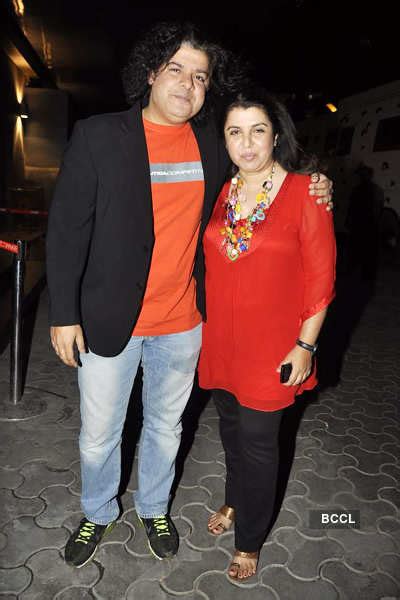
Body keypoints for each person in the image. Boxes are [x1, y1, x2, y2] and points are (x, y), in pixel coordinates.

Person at [46, 22, 333, 568]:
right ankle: (98, 511)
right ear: (151, 73)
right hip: (110, 321)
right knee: (99, 434)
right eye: (176, 69)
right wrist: (64, 313)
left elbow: (264, 170)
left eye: (200, 76)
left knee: (164, 427)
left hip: (182, 324)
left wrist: (318, 182)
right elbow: (66, 231)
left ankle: (154, 506)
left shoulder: (211, 142)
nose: (187, 84)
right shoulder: (100, 135)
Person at [197, 90, 336, 580]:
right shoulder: (222, 190)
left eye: (258, 130)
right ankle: (235, 501)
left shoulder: (305, 192)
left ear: (276, 134)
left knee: (259, 442)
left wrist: (305, 345)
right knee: (231, 431)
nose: (247, 142)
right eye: (235, 131)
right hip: (220, 341)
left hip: (274, 347)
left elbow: (321, 279)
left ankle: (250, 540)